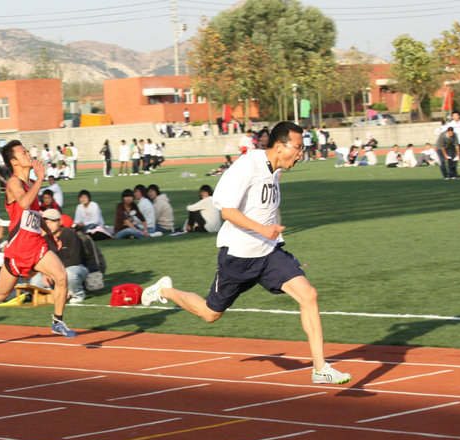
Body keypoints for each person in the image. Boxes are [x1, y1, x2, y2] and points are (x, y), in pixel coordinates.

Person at [140, 122, 351, 385]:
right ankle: (164, 290)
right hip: (238, 257)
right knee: (209, 313)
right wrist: (263, 229)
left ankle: (320, 369)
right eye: (297, 148)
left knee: (308, 295)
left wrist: (271, 233)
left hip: (269, 254)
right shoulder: (245, 166)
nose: (301, 153)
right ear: (278, 146)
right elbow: (227, 211)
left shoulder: (274, 171)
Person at [0, 140, 76, 338]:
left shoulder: (30, 183)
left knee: (61, 276)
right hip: (18, 249)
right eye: (23, 153)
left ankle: (58, 321)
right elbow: (24, 202)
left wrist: (49, 235)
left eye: (27, 151)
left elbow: (35, 213)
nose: (29, 154)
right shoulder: (14, 182)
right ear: (14, 161)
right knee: (1, 294)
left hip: (37, 246)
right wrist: (40, 179)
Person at [29, 209, 89, 304]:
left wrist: (54, 271)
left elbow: (75, 259)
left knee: (70, 274)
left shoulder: (71, 234)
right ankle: (53, 293)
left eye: (53, 221)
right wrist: (45, 273)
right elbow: (41, 260)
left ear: (60, 222)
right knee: (35, 282)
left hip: (76, 268)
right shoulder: (44, 238)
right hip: (54, 271)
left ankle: (77, 294)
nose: (49, 225)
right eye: (46, 222)